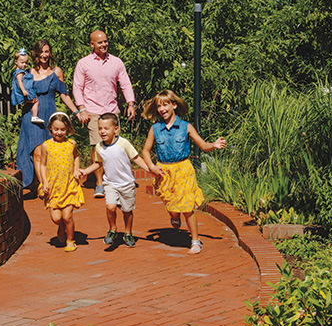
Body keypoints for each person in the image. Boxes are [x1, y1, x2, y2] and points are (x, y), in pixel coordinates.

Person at [141, 90, 225, 255]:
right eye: (159, 106)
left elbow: (202, 145)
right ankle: (174, 215)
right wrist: (151, 166)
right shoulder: (155, 129)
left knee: (187, 207)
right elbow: (145, 150)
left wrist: (213, 145)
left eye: (165, 104)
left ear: (174, 105)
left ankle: (195, 241)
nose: (162, 109)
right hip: (164, 171)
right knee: (171, 204)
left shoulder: (186, 127)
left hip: (183, 169)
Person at [72, 30, 136, 199]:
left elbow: (125, 84)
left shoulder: (116, 62)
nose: (103, 44)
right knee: (98, 147)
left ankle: (116, 181)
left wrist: (130, 103)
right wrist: (82, 108)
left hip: (112, 110)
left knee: (115, 147)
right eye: (99, 42)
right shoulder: (83, 63)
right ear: (92, 44)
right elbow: (77, 87)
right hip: (93, 111)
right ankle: (100, 183)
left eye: (105, 41)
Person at [77, 113, 151, 248]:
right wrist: (85, 171)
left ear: (115, 129)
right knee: (110, 207)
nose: (102, 131)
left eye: (106, 128)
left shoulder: (123, 143)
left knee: (127, 211)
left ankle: (128, 233)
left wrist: (150, 169)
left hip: (127, 184)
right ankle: (112, 229)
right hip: (110, 183)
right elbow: (98, 163)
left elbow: (136, 158)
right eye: (100, 128)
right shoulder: (99, 147)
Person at [15, 40, 79, 196]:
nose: (44, 55)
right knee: (36, 151)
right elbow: (19, 91)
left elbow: (64, 94)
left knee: (46, 151)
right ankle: (41, 186)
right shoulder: (28, 71)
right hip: (32, 114)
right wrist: (26, 100)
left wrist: (77, 112)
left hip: (49, 114)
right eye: (41, 52)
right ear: (36, 53)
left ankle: (44, 182)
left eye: (47, 51)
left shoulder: (57, 71)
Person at [33, 112, 85, 252]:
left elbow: (76, 157)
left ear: (67, 129)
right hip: (53, 186)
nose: (59, 132)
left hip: (69, 185)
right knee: (57, 218)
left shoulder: (71, 144)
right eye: (56, 129)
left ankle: (70, 240)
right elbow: (42, 165)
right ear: (50, 129)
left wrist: (76, 169)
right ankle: (61, 227)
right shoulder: (46, 146)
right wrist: (44, 182)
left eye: (62, 129)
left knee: (67, 216)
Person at [10, 49, 43, 125]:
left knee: (27, 102)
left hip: (25, 90)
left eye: (26, 63)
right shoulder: (20, 72)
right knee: (36, 101)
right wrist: (24, 90)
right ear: (16, 62)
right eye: (22, 63)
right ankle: (35, 116)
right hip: (25, 90)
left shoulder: (20, 71)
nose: (24, 65)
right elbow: (20, 82)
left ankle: (23, 116)